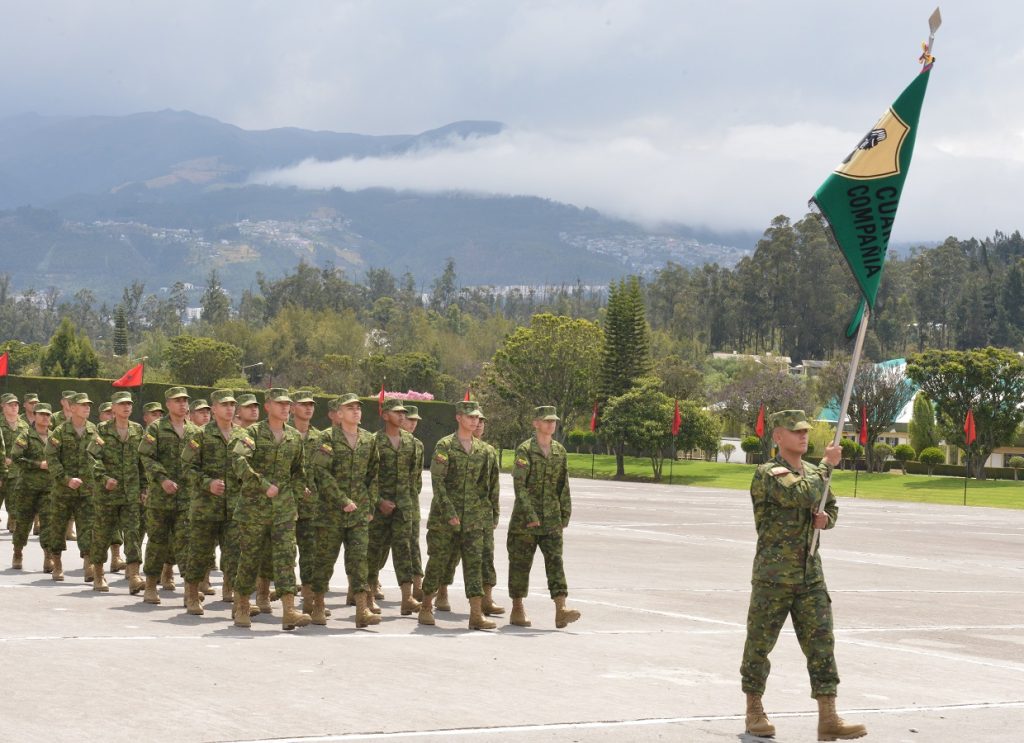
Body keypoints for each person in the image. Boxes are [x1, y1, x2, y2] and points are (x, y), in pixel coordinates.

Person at [739, 410, 866, 741]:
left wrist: (827, 520)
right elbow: (798, 494)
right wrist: (828, 465)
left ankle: (828, 716)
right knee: (759, 644)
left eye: (806, 431)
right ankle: (754, 711)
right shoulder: (769, 472)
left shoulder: (813, 473)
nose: (804, 436)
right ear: (778, 437)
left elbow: (830, 505)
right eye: (796, 432)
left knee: (822, 643)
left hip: (810, 574)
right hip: (774, 575)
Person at [230, 388, 310, 630]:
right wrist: (263, 485)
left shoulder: (294, 437)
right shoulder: (251, 433)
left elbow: (298, 471)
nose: (285, 408)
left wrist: (297, 492)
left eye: (288, 404)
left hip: (284, 510)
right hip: (254, 509)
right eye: (280, 403)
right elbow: (239, 462)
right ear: (268, 406)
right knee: (250, 558)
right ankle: (242, 605)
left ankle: (289, 610)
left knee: (287, 558)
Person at [419, 400, 495, 630]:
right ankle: (425, 607)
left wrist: (486, 515)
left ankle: (475, 614)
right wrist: (450, 513)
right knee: (438, 562)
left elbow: (486, 486)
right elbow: (438, 482)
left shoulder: (483, 450)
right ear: (459, 418)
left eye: (477, 417)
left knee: (474, 564)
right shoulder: (445, 446)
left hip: (474, 519)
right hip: (445, 518)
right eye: (470, 417)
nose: (474, 421)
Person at [310, 394, 380, 628]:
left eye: (358, 408)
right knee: (325, 560)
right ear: (339, 414)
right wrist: (341, 499)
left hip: (358, 512)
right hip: (330, 512)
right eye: (350, 408)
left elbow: (373, 474)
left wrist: (369, 505)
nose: (356, 412)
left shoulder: (368, 440)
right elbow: (321, 472)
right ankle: (318, 604)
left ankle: (362, 609)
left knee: (360, 560)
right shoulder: (327, 438)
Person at [507, 406, 579, 629]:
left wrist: (565, 513)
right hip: (526, 522)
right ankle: (517, 608)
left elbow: (563, 485)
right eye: (546, 421)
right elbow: (520, 485)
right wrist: (530, 514)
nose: (551, 425)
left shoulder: (559, 451)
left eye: (554, 421)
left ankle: (561, 609)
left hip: (551, 520)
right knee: (520, 564)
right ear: (535, 423)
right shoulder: (525, 450)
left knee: (556, 562)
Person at [138, 387, 199, 604]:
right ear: (168, 405)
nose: (182, 404)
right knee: (157, 542)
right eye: (177, 401)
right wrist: (162, 479)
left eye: (185, 400)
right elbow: (146, 456)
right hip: (160, 499)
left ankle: (190, 591)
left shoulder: (194, 431)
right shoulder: (156, 428)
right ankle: (151, 586)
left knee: (186, 543)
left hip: (186, 499)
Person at [180, 390, 237, 616]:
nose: (230, 408)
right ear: (214, 409)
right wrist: (208, 483)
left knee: (235, 553)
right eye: (224, 405)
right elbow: (187, 468)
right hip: (205, 507)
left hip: (234, 507)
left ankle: (236, 595)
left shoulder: (242, 435)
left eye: (232, 404)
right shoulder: (200, 436)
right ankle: (192, 594)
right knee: (199, 553)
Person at [366, 398, 421, 617]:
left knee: (403, 551)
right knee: (373, 551)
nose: (402, 416)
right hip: (379, 507)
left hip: (403, 506)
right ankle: (368, 596)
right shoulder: (373, 442)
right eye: (396, 412)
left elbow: (415, 477)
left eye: (403, 413)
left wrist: (407, 502)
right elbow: (367, 477)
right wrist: (378, 501)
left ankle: (407, 597)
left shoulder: (412, 443)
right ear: (385, 415)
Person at [87, 391, 145, 594]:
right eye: (121, 404)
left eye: (129, 404)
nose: (126, 407)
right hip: (107, 494)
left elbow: (142, 462)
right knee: (102, 534)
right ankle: (99, 574)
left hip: (131, 493)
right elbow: (93, 458)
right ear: (113, 408)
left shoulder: (138, 430)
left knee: (133, 533)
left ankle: (135, 575)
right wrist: (104, 478)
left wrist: (144, 488)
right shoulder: (102, 430)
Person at [43, 392, 98, 582]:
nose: (87, 407)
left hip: (87, 491)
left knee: (88, 527)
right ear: (72, 408)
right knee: (57, 528)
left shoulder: (94, 431)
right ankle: (57, 563)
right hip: (63, 491)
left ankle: (89, 564)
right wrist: (66, 479)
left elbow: (100, 458)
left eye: (88, 405)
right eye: (83, 405)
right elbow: (51, 458)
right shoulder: (59, 432)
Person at [289, 390, 323, 615]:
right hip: (285, 505)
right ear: (293, 408)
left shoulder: (320, 438)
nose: (308, 408)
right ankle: (270, 596)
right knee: (283, 553)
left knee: (311, 553)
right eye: (303, 404)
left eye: (311, 404)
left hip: (312, 507)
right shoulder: (283, 435)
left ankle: (310, 599)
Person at [10, 403, 53, 570]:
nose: (45, 418)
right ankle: (18, 551)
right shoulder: (25, 435)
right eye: (41, 414)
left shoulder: (54, 437)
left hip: (48, 488)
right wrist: (38, 464)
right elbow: (16, 457)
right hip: (27, 488)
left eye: (48, 415)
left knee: (48, 522)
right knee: (23, 522)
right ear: (34, 416)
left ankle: (48, 556)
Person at [0, 393, 28, 533]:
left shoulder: (24, 426)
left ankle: (14, 522)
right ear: (2, 406)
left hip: (16, 470)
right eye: (10, 404)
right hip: (1, 469)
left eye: (16, 404)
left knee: (15, 500)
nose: (14, 407)